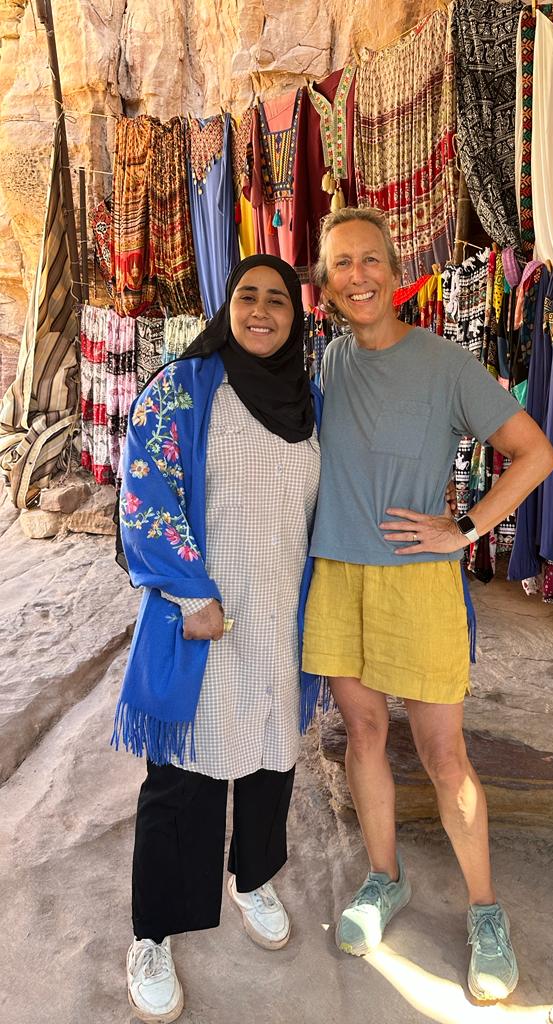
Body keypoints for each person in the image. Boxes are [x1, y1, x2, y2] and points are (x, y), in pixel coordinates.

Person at [302, 208, 553, 1003]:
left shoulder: (447, 364)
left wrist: (467, 527)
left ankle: (486, 911)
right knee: (365, 734)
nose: (358, 276)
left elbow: (536, 453)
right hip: (338, 575)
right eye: (341, 264)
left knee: (446, 756)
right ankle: (385, 878)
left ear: (394, 268)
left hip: (419, 580)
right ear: (326, 284)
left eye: (369, 259)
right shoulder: (328, 363)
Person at [114, 255, 321, 1023]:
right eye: (247, 296)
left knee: (269, 755)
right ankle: (153, 933)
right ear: (226, 307)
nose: (262, 310)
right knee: (184, 774)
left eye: (278, 300)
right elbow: (146, 491)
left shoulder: (309, 403)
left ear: (297, 317)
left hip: (278, 617)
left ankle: (252, 878)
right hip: (202, 617)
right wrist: (190, 592)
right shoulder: (185, 387)